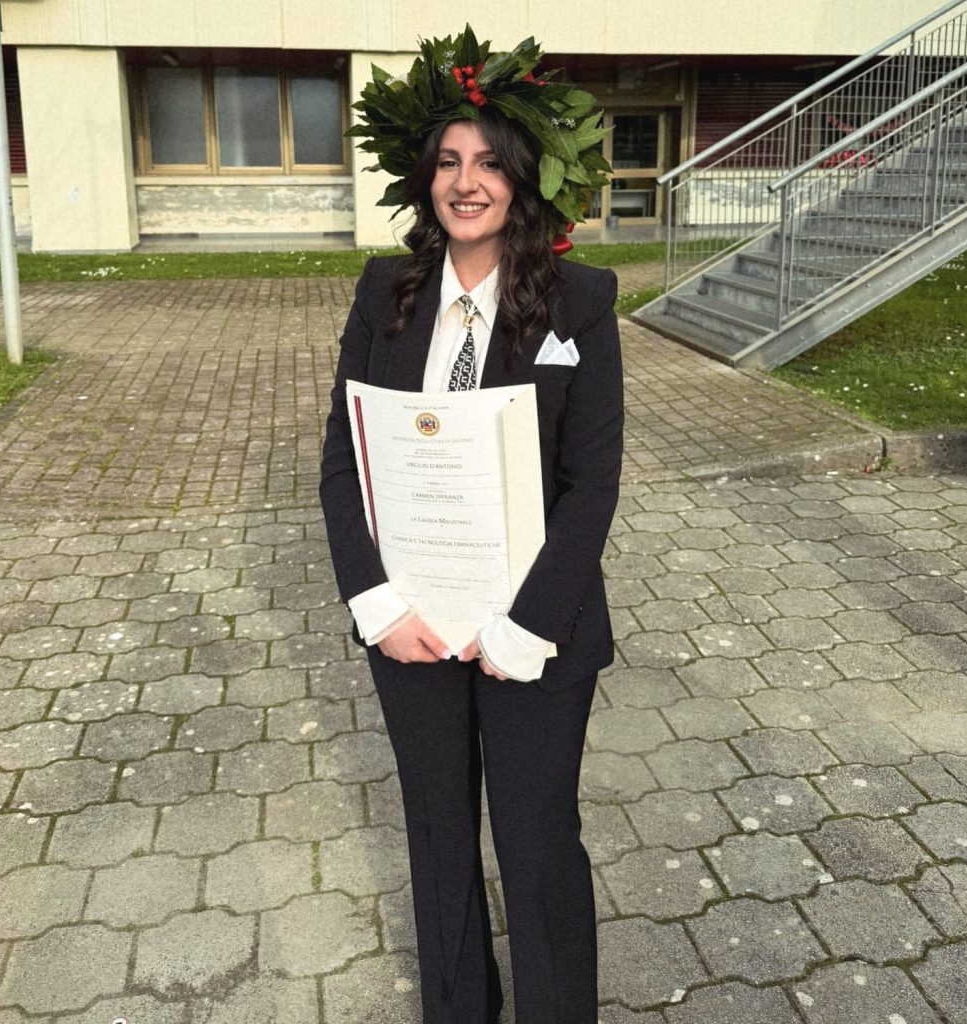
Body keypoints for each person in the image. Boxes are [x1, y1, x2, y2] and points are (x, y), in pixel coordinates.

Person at [320, 27, 623, 1024]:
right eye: (448, 161)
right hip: (413, 622)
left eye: (489, 162)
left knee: (536, 844)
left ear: (523, 178)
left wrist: (524, 627)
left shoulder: (580, 301)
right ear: (425, 179)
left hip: (532, 628)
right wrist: (376, 604)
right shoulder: (384, 291)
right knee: (438, 839)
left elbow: (591, 484)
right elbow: (344, 462)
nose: (465, 181)